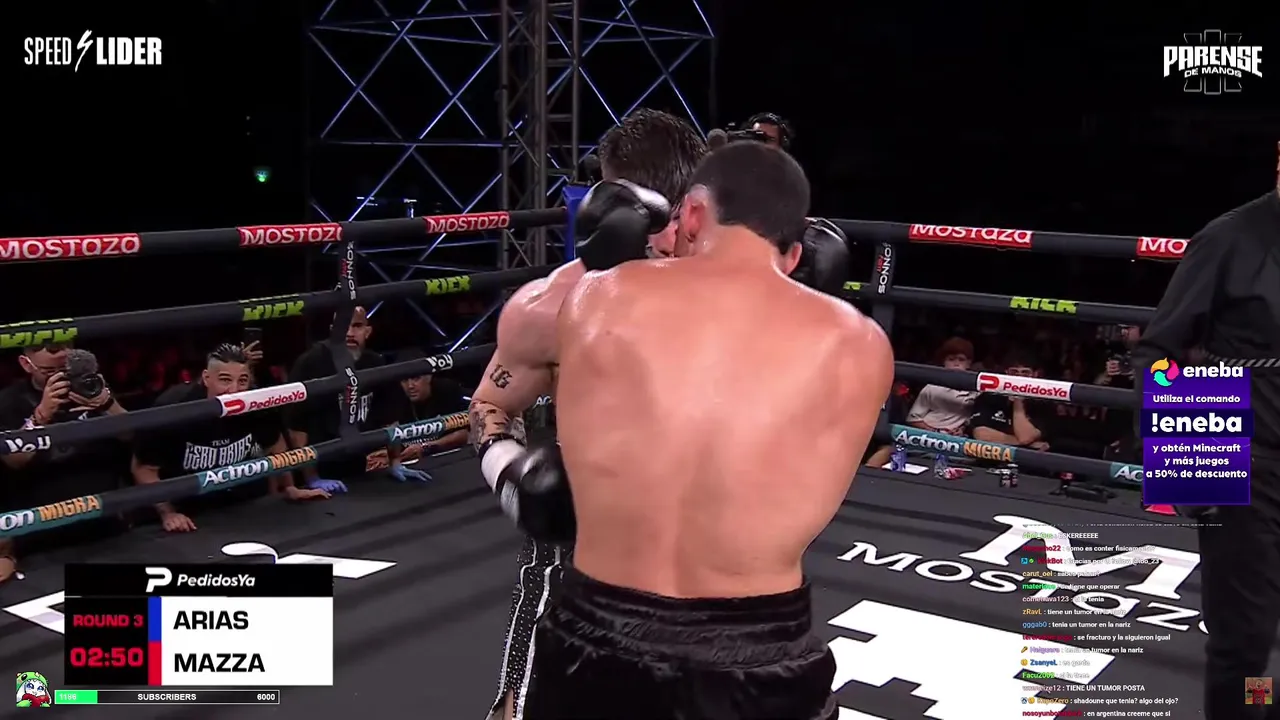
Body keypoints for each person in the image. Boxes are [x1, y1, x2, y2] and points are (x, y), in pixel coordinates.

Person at [481, 141, 891, 719]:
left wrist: (506, 470)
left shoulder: (594, 296)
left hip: (597, 634)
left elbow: (491, 402)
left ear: (692, 213)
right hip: (760, 649)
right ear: (797, 254)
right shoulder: (862, 347)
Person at [469, 107, 708, 720]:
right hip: (582, 556)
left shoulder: (740, 299)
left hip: (707, 565)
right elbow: (491, 404)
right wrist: (513, 478)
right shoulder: (550, 307)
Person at [1131, 151, 1280, 720]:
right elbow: (1158, 350)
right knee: (1247, 639)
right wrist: (1192, 463)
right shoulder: (1230, 238)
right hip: (1247, 463)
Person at [132, 344, 329, 533]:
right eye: (225, 380)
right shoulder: (176, 408)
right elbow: (143, 469)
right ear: (206, 378)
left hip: (241, 506)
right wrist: (168, 513)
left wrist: (289, 487)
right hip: (189, 511)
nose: (234, 390)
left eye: (242, 381)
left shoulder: (255, 403)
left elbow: (275, 446)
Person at [0, 343, 129, 582]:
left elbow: (132, 436)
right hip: (42, 535)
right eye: (50, 372)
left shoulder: (90, 385)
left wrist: (107, 404)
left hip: (104, 524)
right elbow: (14, 461)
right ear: (26, 364)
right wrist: (40, 416)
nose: (60, 377)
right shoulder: (10, 401)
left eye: (64, 370)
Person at [286, 306, 426, 488]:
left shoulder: (375, 364)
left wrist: (395, 462)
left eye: (357, 326)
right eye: (344, 326)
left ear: (368, 331)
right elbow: (297, 429)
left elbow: (390, 420)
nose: (350, 333)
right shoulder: (311, 364)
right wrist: (312, 478)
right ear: (333, 330)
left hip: (357, 466)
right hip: (317, 466)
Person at [366, 348, 469, 471]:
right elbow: (393, 433)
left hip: (449, 461)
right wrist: (390, 454)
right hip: (414, 464)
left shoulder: (446, 390)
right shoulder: (396, 396)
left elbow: (462, 436)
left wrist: (425, 447)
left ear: (428, 376)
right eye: (405, 380)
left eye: (416, 378)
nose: (410, 386)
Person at [968, 349, 1051, 450]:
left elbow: (1025, 437)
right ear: (1006, 373)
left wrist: (1018, 401)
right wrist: (1028, 444)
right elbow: (980, 434)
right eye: (1014, 372)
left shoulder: (1043, 403)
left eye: (1025, 373)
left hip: (1026, 458)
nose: (1019, 378)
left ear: (1035, 374)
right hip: (992, 455)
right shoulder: (990, 396)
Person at [907, 336, 978, 434]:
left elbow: (972, 419)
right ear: (944, 362)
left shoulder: (975, 391)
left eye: (961, 360)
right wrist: (937, 433)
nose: (956, 364)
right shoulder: (932, 387)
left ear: (968, 364)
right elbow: (913, 419)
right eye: (951, 359)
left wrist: (962, 429)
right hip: (929, 433)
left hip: (956, 438)